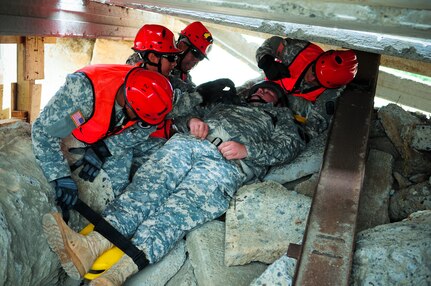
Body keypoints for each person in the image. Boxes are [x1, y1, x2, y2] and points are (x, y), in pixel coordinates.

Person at [42, 81, 306, 285]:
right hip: (188, 145)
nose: (262, 93)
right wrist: (191, 121)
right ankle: (91, 246)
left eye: (269, 93)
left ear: (278, 101)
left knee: (175, 213)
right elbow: (180, 118)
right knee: (143, 191)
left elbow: (289, 146)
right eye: (260, 89)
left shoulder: (278, 118)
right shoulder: (225, 105)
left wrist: (248, 150)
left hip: (226, 165)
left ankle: (116, 275)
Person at [32, 66, 174, 215]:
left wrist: (104, 148)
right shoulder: (83, 93)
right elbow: (43, 131)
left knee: (157, 150)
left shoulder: (152, 95)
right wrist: (60, 175)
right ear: (128, 102)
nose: (139, 121)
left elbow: (145, 127)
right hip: (77, 135)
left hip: (105, 136)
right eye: (138, 116)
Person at [255, 36, 358, 140]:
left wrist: (288, 133)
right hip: (265, 84)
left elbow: (317, 123)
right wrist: (266, 62)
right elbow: (273, 43)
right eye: (313, 70)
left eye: (317, 80)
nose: (311, 78)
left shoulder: (330, 93)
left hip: (290, 105)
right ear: (319, 59)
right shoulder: (300, 51)